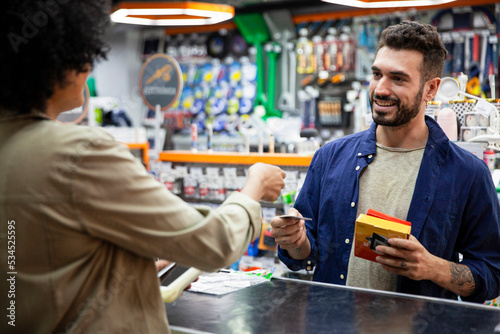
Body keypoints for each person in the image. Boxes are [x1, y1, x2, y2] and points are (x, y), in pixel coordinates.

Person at [0, 1, 286, 333]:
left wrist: (127, 270)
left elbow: (38, 269)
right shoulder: (81, 154)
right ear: (61, 61)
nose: (89, 68)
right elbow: (213, 243)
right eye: (84, 57)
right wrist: (253, 190)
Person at [271, 21, 500, 303]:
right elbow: (305, 255)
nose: (380, 89)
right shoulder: (330, 158)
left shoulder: (468, 173)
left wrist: (433, 268)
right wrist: (296, 243)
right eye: (377, 74)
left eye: (398, 78)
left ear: (430, 89)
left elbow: (492, 275)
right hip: (331, 323)